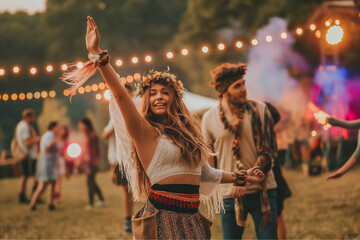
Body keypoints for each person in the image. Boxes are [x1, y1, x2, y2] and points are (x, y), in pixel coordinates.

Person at [61, 16, 265, 239]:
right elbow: (120, 96)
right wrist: (98, 55)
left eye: (165, 92)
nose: (159, 97)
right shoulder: (143, 131)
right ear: (146, 101)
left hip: (192, 217)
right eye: (153, 93)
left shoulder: (188, 135)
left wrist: (241, 176)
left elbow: (204, 173)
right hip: (162, 217)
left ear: (174, 99)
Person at [202, 63, 278, 239]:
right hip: (229, 194)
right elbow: (209, 160)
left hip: (263, 191)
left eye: (243, 84)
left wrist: (243, 180)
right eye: (237, 86)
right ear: (223, 92)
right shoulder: (209, 118)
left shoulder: (260, 110)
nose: (244, 89)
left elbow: (268, 153)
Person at [103, 83, 134, 233]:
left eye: (127, 93)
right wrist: (117, 123)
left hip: (135, 158)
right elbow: (104, 135)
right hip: (120, 160)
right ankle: (128, 220)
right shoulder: (114, 114)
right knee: (126, 189)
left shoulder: (135, 112)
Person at [265, 102, 292, 240]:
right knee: (276, 217)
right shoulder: (269, 132)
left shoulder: (266, 134)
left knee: (277, 217)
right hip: (275, 176)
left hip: (273, 178)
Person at [30, 121, 61, 210]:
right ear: (53, 127)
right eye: (58, 127)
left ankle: (50, 203)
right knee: (43, 184)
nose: (59, 130)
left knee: (53, 182)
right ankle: (33, 203)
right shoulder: (50, 135)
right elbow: (48, 146)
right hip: (47, 162)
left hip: (49, 162)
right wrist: (56, 142)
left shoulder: (49, 135)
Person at [79, 117, 107, 210]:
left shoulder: (92, 135)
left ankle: (90, 203)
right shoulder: (87, 135)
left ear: (86, 125)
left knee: (90, 182)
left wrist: (96, 161)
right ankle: (102, 200)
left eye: (81, 124)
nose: (80, 126)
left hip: (92, 163)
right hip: (88, 162)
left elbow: (96, 150)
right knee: (92, 182)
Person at [14, 109, 40, 203]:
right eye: (33, 117)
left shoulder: (20, 125)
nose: (34, 119)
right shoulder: (24, 127)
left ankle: (23, 195)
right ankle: (31, 195)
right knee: (33, 175)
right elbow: (27, 142)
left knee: (25, 175)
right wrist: (37, 139)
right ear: (29, 117)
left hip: (24, 154)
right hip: (27, 155)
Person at [54, 125, 70, 204]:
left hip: (61, 161)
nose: (62, 132)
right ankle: (54, 197)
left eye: (64, 130)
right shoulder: (55, 138)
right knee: (55, 180)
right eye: (61, 130)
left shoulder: (65, 141)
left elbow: (66, 153)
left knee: (59, 181)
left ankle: (57, 197)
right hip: (55, 160)